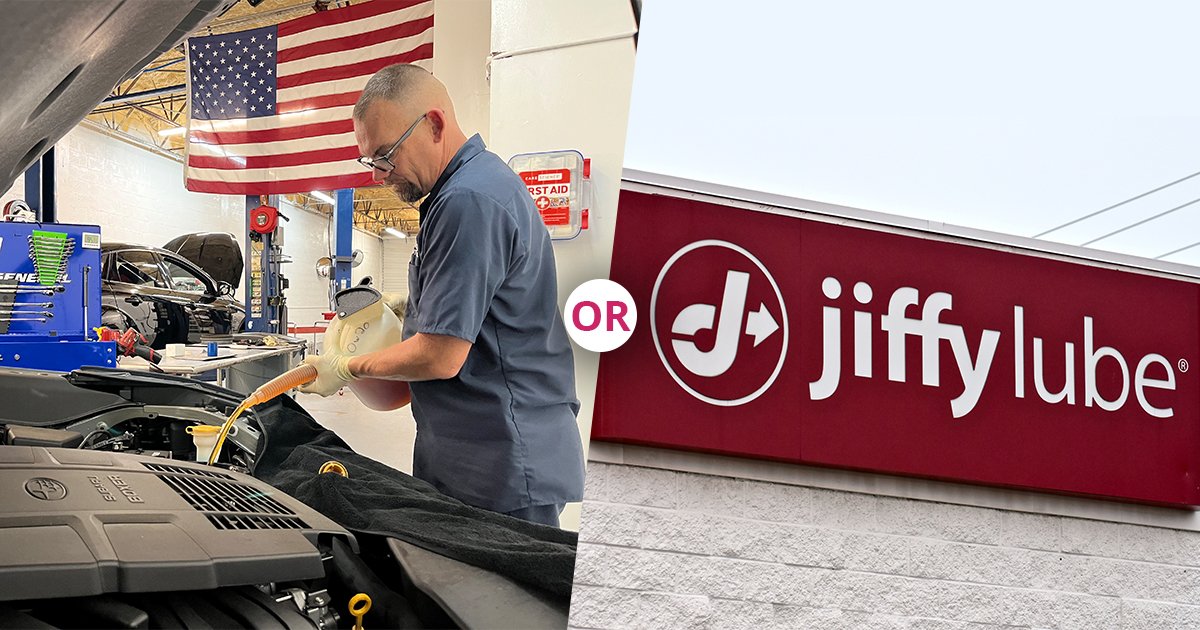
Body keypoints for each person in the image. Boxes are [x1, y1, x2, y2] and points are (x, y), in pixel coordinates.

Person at [298, 64, 585, 528]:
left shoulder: (467, 202)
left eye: (386, 154)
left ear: (433, 124)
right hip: (477, 449)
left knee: (496, 597)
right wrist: (415, 304)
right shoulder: (471, 187)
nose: (379, 174)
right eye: (370, 160)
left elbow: (440, 356)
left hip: (498, 460)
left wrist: (346, 367)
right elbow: (486, 306)